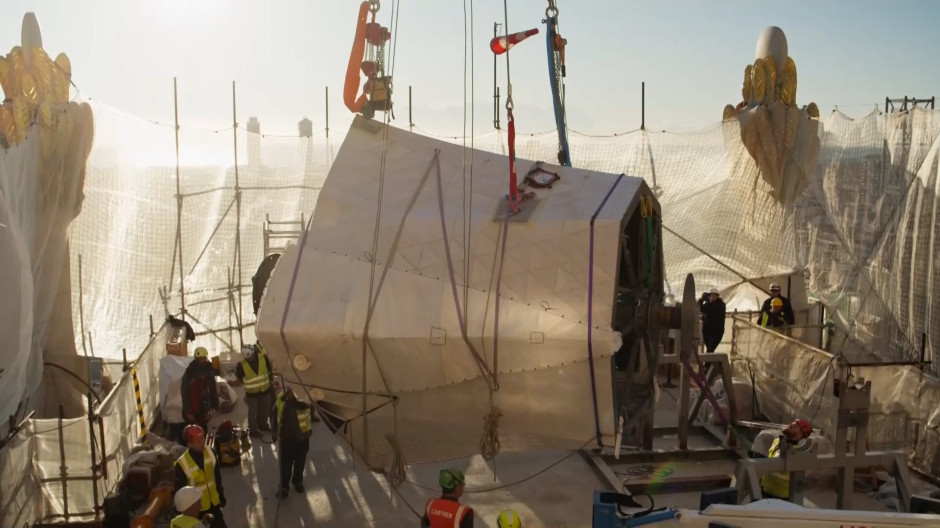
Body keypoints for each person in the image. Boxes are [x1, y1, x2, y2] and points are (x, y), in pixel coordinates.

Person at [174, 425, 227, 528]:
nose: (202, 443)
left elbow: (217, 478)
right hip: (197, 509)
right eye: (198, 441)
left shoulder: (211, 453)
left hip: (214, 504)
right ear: (190, 443)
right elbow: (181, 491)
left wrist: (221, 494)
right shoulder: (182, 464)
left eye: (202, 438)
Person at [271, 387, 313, 497]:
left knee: (300, 462)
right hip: (286, 438)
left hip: (303, 438)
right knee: (285, 465)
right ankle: (284, 487)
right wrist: (274, 432)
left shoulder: (305, 399)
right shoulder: (281, 399)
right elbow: (274, 414)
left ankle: (298, 481)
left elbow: (305, 406)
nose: (290, 393)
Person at [761, 418, 814, 500]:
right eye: (792, 423)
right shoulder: (777, 441)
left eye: (796, 426)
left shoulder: (796, 452)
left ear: (801, 436)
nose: (791, 425)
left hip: (781, 496)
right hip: (766, 489)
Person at [235, 342, 274, 438]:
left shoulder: (263, 358)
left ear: (253, 352)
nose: (249, 360)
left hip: (265, 389)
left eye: (251, 357)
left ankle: (263, 425)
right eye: (247, 359)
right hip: (251, 393)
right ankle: (253, 430)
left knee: (264, 409)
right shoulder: (241, 365)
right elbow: (240, 378)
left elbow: (269, 371)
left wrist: (270, 381)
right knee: (252, 412)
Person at [181, 347, 219, 437]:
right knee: (196, 429)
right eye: (200, 358)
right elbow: (185, 393)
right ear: (196, 359)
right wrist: (188, 412)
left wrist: (214, 404)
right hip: (195, 405)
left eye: (204, 358)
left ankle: (203, 441)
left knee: (204, 426)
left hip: (204, 404)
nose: (202, 360)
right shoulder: (189, 374)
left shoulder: (209, 370)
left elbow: (212, 388)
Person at [699, 288, 726, 353]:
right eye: (711, 296)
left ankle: (708, 363)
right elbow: (701, 308)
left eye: (714, 296)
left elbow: (712, 311)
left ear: (717, 296)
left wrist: (709, 302)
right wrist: (701, 300)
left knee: (710, 349)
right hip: (707, 331)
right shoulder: (708, 304)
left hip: (716, 332)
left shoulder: (721, 305)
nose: (712, 297)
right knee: (710, 349)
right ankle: (715, 362)